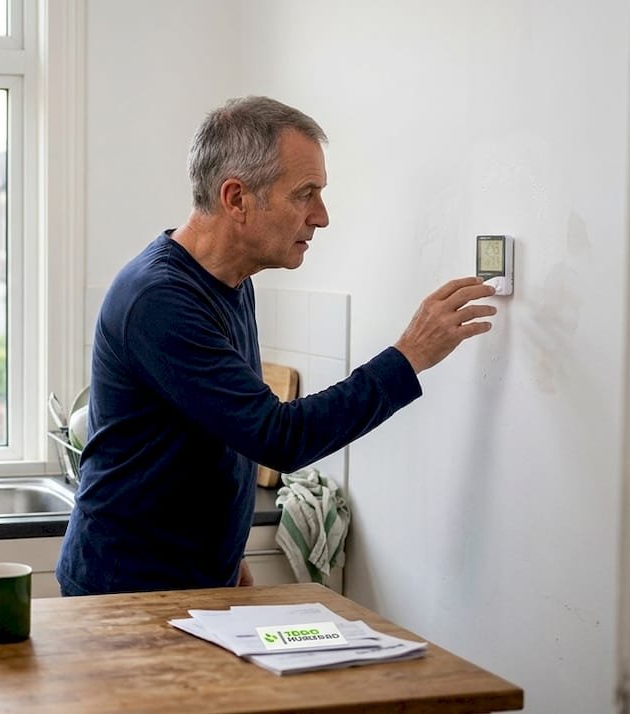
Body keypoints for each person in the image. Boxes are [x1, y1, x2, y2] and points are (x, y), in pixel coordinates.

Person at [55, 96, 497, 596]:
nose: (322, 216)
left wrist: (227, 550)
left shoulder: (231, 279)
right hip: (126, 593)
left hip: (195, 581)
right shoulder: (160, 299)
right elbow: (277, 438)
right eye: (305, 193)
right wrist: (410, 355)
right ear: (237, 198)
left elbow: (217, 433)